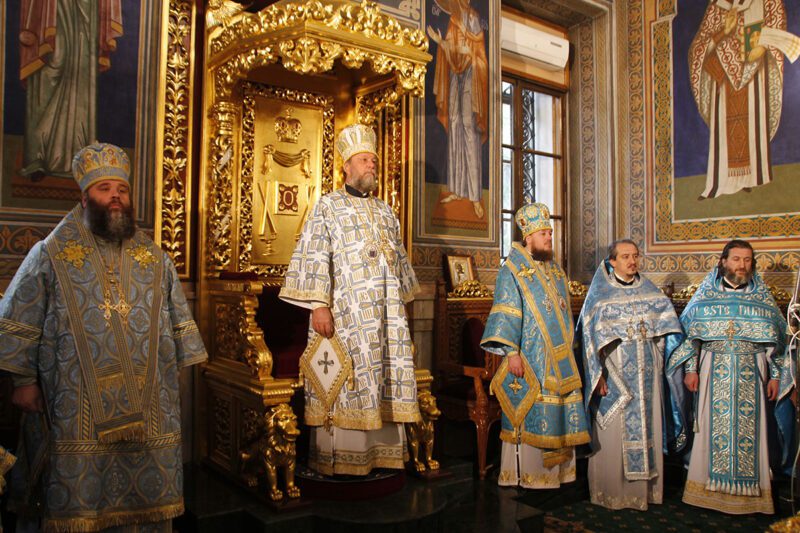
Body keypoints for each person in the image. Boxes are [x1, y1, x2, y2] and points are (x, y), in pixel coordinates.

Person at [0, 142, 208, 531]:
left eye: (122, 189)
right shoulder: (50, 254)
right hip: (73, 402)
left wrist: (171, 376)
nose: (115, 196)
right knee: (79, 497)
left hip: (148, 405)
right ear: (84, 197)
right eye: (105, 188)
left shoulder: (155, 259)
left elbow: (179, 327)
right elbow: (18, 319)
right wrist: (24, 380)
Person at [280, 123, 421, 476]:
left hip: (386, 317)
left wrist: (402, 309)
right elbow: (314, 255)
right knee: (348, 379)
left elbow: (399, 262)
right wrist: (319, 306)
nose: (372, 165)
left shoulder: (386, 212)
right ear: (346, 166)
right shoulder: (328, 207)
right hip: (345, 316)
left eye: (373, 160)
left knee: (385, 376)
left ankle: (383, 457)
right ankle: (343, 459)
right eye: (364, 159)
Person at [666, 239, 794, 514]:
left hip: (753, 370)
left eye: (747, 260)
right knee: (709, 429)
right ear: (723, 261)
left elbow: (777, 344)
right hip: (712, 369)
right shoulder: (705, 298)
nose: (742, 265)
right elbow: (691, 338)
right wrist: (691, 370)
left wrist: (775, 377)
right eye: (736, 259)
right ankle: (705, 492)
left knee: (752, 430)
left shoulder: (762, 300)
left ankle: (750, 497)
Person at [480, 203, 590, 489]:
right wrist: (511, 354)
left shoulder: (556, 271)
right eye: (544, 233)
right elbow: (506, 312)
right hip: (530, 358)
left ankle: (559, 475)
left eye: (550, 232)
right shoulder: (512, 270)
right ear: (528, 237)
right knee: (530, 411)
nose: (549, 237)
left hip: (560, 361)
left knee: (560, 411)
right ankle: (531, 475)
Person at [577, 239, 683, 510]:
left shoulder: (650, 291)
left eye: (635, 255)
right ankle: (612, 492)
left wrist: (659, 361)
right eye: (625, 256)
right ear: (612, 261)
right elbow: (587, 341)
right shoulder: (600, 296)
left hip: (646, 377)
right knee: (613, 436)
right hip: (615, 374)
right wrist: (597, 376)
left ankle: (645, 493)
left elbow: (666, 333)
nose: (632, 261)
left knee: (648, 428)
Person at [689, 0, 788, 199]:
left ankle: (752, 177)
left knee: (753, 118)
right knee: (724, 127)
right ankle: (721, 182)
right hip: (723, 77)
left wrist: (764, 46)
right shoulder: (718, 6)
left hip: (753, 69)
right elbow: (698, 48)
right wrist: (723, 31)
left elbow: (777, 24)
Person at [19, 1, 123, 179]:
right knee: (52, 59)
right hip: (49, 5)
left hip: (87, 7)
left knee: (81, 66)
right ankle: (36, 154)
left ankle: (78, 154)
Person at [427, 0, 489, 219]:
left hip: (472, 75)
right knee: (454, 126)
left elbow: (478, 55)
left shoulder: (473, 18)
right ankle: (456, 188)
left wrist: (464, 51)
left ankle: (474, 196)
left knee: (469, 130)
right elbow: (450, 50)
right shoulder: (453, 19)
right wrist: (440, 42)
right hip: (455, 74)